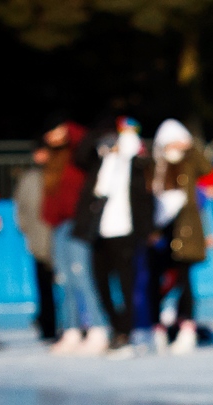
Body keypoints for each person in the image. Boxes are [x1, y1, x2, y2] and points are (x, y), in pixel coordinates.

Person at [141, 119, 209, 354]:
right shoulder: (153, 166)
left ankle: (186, 327)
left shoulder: (189, 163)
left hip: (185, 231)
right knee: (155, 281)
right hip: (158, 233)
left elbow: (208, 169)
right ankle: (157, 328)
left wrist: (191, 146)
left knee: (184, 281)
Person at [89, 117, 154, 352]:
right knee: (101, 282)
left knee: (127, 284)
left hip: (125, 232)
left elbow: (146, 200)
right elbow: (97, 190)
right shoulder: (103, 164)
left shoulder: (138, 167)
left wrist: (146, 230)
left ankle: (126, 331)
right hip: (101, 233)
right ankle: (116, 326)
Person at [41, 120, 104, 355]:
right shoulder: (53, 163)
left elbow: (85, 140)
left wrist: (68, 129)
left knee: (82, 276)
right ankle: (71, 329)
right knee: (64, 280)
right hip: (60, 226)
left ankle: (97, 328)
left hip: (79, 224)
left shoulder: (79, 157)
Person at [14, 142, 58, 342]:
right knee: (44, 286)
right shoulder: (29, 179)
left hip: (59, 239)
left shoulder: (59, 175)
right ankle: (48, 325)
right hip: (39, 242)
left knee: (67, 287)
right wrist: (27, 230)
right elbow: (21, 209)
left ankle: (74, 325)